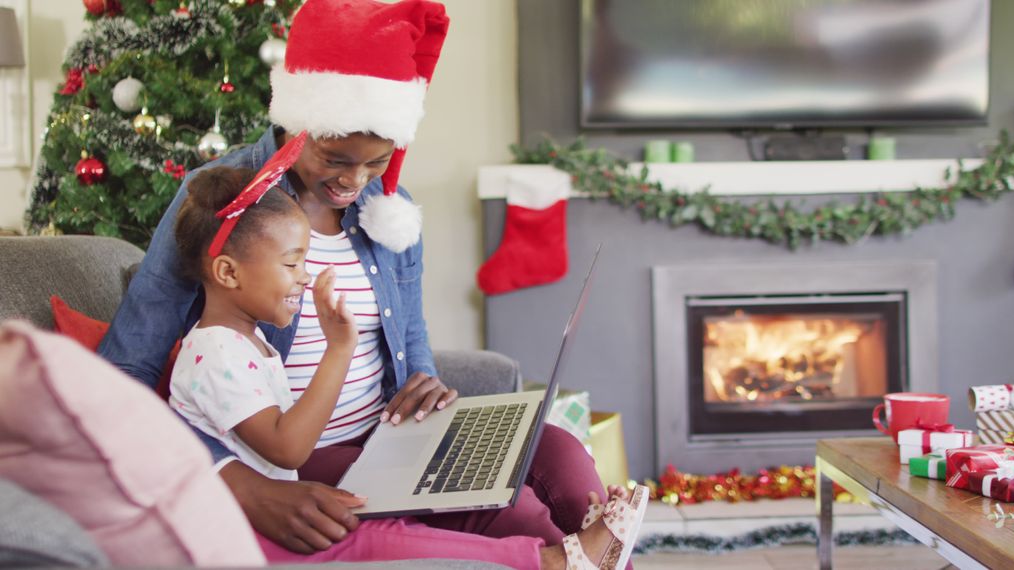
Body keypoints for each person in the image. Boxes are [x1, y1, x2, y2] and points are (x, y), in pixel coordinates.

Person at [98, 0, 641, 566]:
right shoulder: (223, 206)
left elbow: (411, 329)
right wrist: (233, 478)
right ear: (294, 123)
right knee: (524, 517)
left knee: (566, 459)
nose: (355, 183)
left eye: (377, 163)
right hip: (301, 455)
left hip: (394, 438)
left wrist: (425, 378)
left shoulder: (390, 210)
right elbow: (124, 372)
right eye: (335, 158)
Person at [168, 163, 360, 482]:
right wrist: (339, 349)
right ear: (228, 273)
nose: (305, 277)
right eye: (291, 264)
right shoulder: (217, 354)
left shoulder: (244, 338)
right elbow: (288, 449)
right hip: (250, 526)